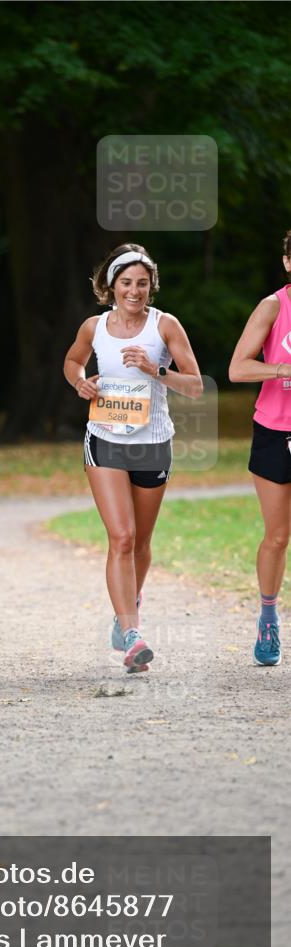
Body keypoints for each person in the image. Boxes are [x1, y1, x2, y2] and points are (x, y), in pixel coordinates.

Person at [63, 244, 203, 673]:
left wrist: (155, 370)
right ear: (111, 285)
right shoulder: (94, 327)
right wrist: (80, 382)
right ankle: (132, 633)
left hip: (152, 442)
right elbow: (72, 361)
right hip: (104, 439)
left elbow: (196, 385)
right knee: (121, 537)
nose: (134, 291)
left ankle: (126, 611)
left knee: (140, 542)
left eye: (142, 283)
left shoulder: (165, 326)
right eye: (126, 282)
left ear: (151, 285)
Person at [228, 230, 291, 667]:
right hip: (275, 431)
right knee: (278, 536)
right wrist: (283, 369)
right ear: (287, 262)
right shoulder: (273, 306)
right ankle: (268, 616)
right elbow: (237, 368)